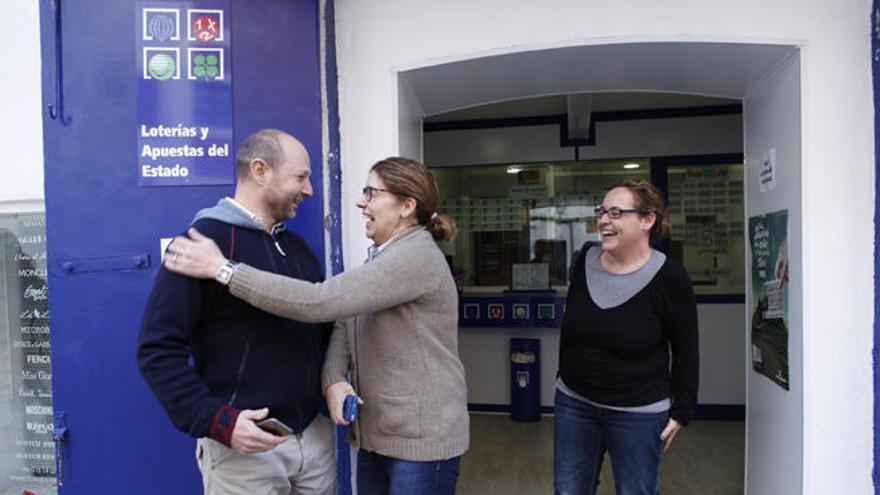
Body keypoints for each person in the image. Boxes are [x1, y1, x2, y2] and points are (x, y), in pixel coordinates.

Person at [164, 156, 469, 495]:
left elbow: (320, 302)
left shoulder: (415, 257)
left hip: (422, 441)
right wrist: (334, 379)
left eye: (371, 192)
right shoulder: (383, 255)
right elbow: (345, 318)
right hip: (382, 436)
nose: (360, 201)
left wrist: (225, 271)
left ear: (406, 206)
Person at [137, 129, 335, 495]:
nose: (308, 190)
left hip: (315, 441)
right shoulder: (202, 243)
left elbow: (326, 330)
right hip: (245, 455)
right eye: (301, 177)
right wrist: (219, 421)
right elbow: (157, 351)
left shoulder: (297, 248)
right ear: (260, 170)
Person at [554, 179, 699, 495]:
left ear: (648, 220)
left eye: (617, 212)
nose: (604, 220)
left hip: (638, 413)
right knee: (568, 490)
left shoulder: (670, 277)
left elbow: (686, 349)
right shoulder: (585, 259)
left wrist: (682, 411)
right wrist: (562, 374)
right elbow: (571, 328)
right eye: (602, 211)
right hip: (575, 403)